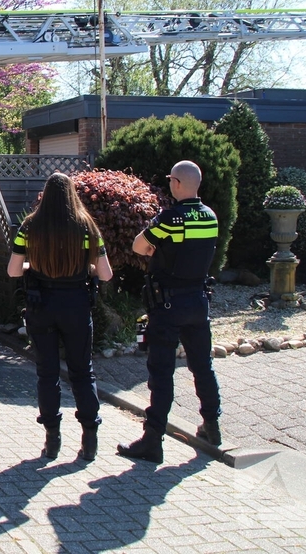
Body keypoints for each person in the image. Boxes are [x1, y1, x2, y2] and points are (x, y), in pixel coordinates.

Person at [117, 160, 222, 464]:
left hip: (167, 305)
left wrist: (157, 249)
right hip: (198, 303)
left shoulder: (170, 218)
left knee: (161, 373)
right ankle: (212, 427)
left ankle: (153, 440)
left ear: (176, 183)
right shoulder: (210, 217)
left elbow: (139, 246)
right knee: (203, 366)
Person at [7, 172, 113, 461]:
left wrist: (34, 265)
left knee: (47, 374)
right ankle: (90, 440)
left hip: (41, 306)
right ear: (72, 194)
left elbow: (13, 271)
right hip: (77, 305)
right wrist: (84, 270)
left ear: (45, 194)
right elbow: (105, 274)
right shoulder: (87, 227)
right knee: (82, 372)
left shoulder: (30, 227)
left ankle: (52, 441)